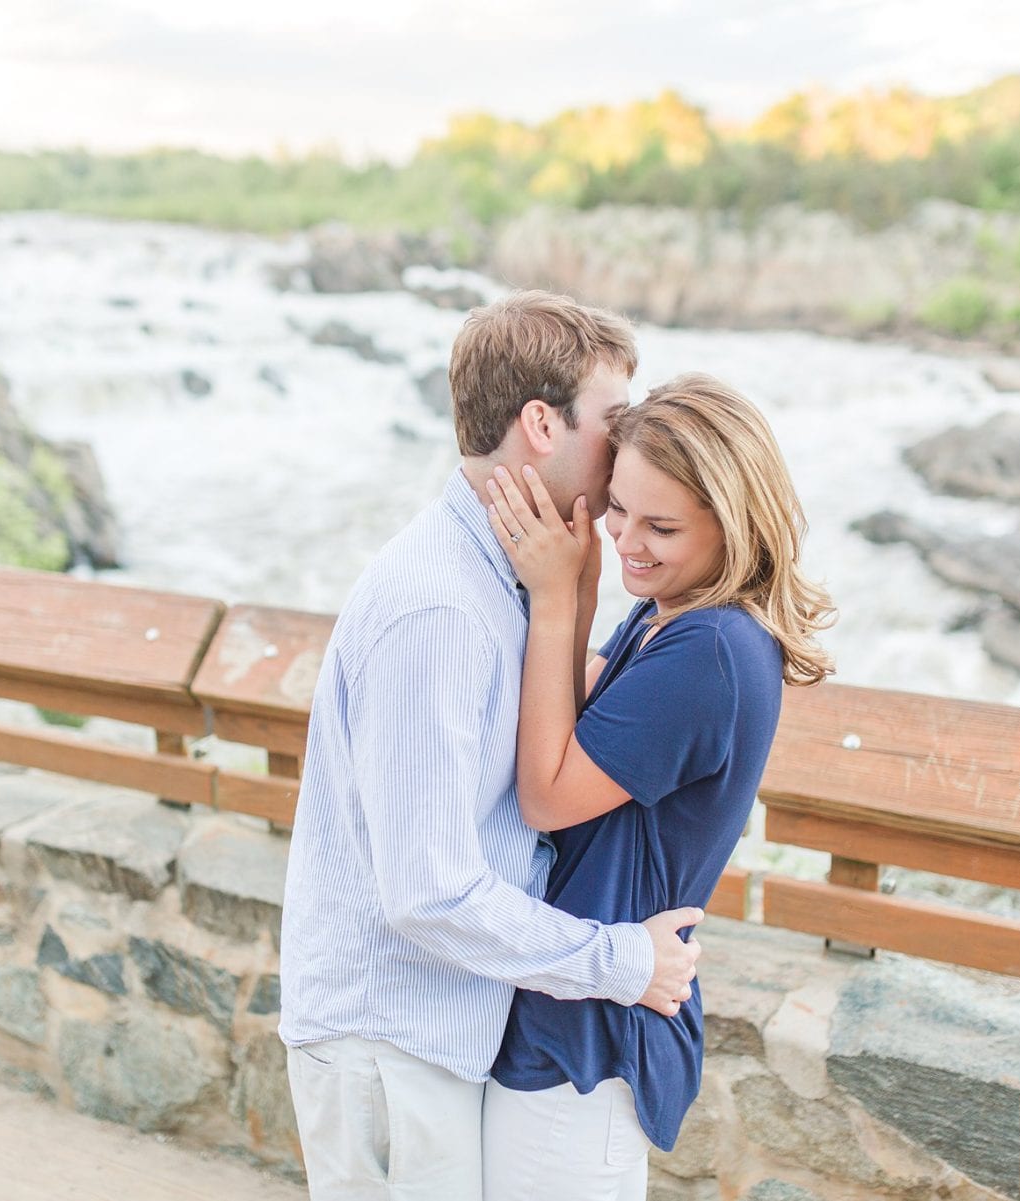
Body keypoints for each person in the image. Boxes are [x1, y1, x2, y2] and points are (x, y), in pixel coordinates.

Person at [279, 292, 707, 1201]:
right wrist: (623, 961)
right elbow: (428, 891)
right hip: (389, 1038)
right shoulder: (442, 610)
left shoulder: (504, 575)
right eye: (614, 421)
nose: (627, 448)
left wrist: (579, 585)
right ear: (542, 424)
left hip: (432, 1029)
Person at [479, 372, 836, 1201]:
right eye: (617, 510)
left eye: (662, 524)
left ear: (732, 521)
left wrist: (556, 594)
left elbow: (548, 790)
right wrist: (589, 588)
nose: (629, 539)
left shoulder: (710, 648)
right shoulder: (668, 608)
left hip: (594, 1035)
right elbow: (565, 708)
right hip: (576, 993)